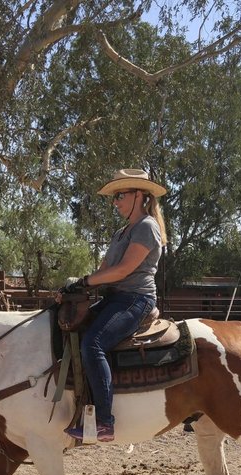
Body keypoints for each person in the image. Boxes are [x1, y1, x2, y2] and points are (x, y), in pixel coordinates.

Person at [62, 168, 167, 442]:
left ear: (139, 195)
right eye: (115, 196)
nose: (115, 201)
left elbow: (123, 270)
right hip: (114, 298)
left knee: (93, 343)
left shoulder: (147, 226)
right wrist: (77, 286)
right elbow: (105, 269)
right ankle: (79, 408)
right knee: (70, 328)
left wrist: (86, 280)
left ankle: (104, 421)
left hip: (136, 298)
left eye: (120, 195)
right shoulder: (122, 232)